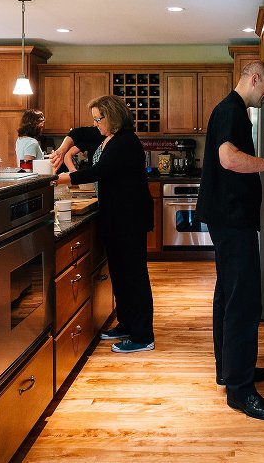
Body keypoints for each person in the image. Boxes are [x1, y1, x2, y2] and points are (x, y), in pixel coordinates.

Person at [196, 60, 264, 421]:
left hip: (227, 216)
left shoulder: (232, 110)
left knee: (229, 294)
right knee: (243, 300)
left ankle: (230, 371)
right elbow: (228, 159)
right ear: (254, 79)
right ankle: (240, 391)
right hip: (231, 217)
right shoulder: (232, 110)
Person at [56, 95, 155, 353]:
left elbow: (99, 172)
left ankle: (143, 335)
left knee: (134, 276)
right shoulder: (107, 137)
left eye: (99, 118)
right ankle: (126, 323)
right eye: (95, 119)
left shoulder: (126, 141)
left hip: (130, 218)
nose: (96, 123)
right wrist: (61, 151)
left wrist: (62, 179)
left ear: (112, 117)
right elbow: (78, 133)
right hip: (115, 216)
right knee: (120, 275)